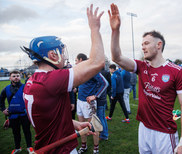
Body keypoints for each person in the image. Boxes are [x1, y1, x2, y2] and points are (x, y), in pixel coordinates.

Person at [108, 3, 182, 154]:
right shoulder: (141, 66)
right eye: (142, 44)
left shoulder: (177, 71)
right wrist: (115, 31)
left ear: (159, 45)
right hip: (144, 128)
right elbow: (116, 57)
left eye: (146, 43)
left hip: (165, 133)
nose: (143, 47)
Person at [22, 4, 105, 153]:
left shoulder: (33, 79)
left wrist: (73, 123)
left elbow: (50, 116)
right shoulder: (51, 79)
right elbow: (97, 62)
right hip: (61, 150)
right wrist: (94, 29)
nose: (64, 55)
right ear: (53, 55)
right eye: (61, 50)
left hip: (49, 144)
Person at [75, 53, 108, 154]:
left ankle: (96, 149)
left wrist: (95, 96)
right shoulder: (80, 70)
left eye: (76, 60)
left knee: (93, 127)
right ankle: (84, 146)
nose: (75, 62)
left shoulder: (91, 70)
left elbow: (105, 83)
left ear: (81, 60)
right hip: (79, 101)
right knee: (81, 126)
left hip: (88, 103)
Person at [0, 70, 34, 154]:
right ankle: (17, 148)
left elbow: (32, 97)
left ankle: (29, 147)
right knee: (15, 132)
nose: (16, 78)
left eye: (18, 76)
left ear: (20, 77)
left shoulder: (25, 86)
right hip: (13, 115)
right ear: (10, 78)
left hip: (24, 114)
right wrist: (3, 109)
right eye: (14, 76)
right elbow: (1, 100)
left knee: (27, 131)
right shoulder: (6, 89)